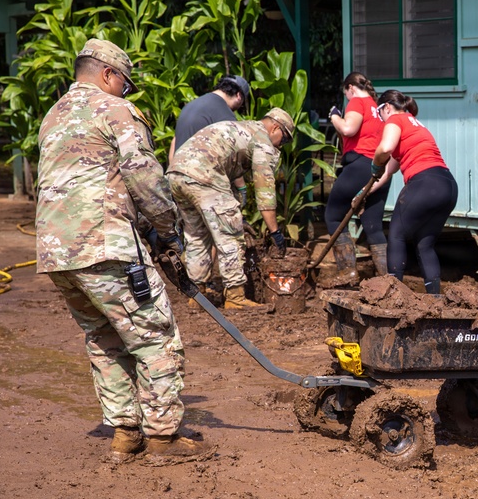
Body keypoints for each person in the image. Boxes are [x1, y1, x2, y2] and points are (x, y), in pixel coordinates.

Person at [35, 38, 212, 464]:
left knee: (104, 337)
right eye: (125, 84)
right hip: (106, 243)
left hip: (57, 252)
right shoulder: (115, 110)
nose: (127, 93)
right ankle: (163, 438)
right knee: (155, 337)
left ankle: (126, 432)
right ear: (108, 75)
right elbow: (145, 178)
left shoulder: (52, 116)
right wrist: (170, 233)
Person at [166, 109, 295, 308]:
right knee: (231, 236)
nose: (281, 145)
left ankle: (197, 296)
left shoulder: (243, 127)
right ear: (276, 128)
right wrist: (275, 231)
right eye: (284, 140)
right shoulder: (263, 140)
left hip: (177, 173)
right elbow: (265, 189)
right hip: (203, 174)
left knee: (197, 235)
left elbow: (226, 157)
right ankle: (235, 298)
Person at [370, 89, 458, 294]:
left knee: (396, 236)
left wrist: (375, 163)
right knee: (424, 244)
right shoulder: (414, 124)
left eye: (379, 113)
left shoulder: (395, 120)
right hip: (448, 186)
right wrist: (363, 193)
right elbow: (386, 173)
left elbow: (384, 149)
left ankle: (393, 296)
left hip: (425, 183)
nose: (381, 119)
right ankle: (435, 299)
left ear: (388, 108)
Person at [325, 72, 389, 274]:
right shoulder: (377, 107)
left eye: (346, 94)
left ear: (350, 88)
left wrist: (335, 115)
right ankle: (387, 279)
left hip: (359, 165)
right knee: (373, 225)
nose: (347, 99)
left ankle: (348, 274)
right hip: (378, 170)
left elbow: (348, 129)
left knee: (333, 217)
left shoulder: (357, 101)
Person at [168, 74, 251, 163]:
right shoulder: (225, 114)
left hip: (176, 170)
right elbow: (233, 157)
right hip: (199, 172)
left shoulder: (191, 105)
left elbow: (174, 143)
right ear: (239, 96)